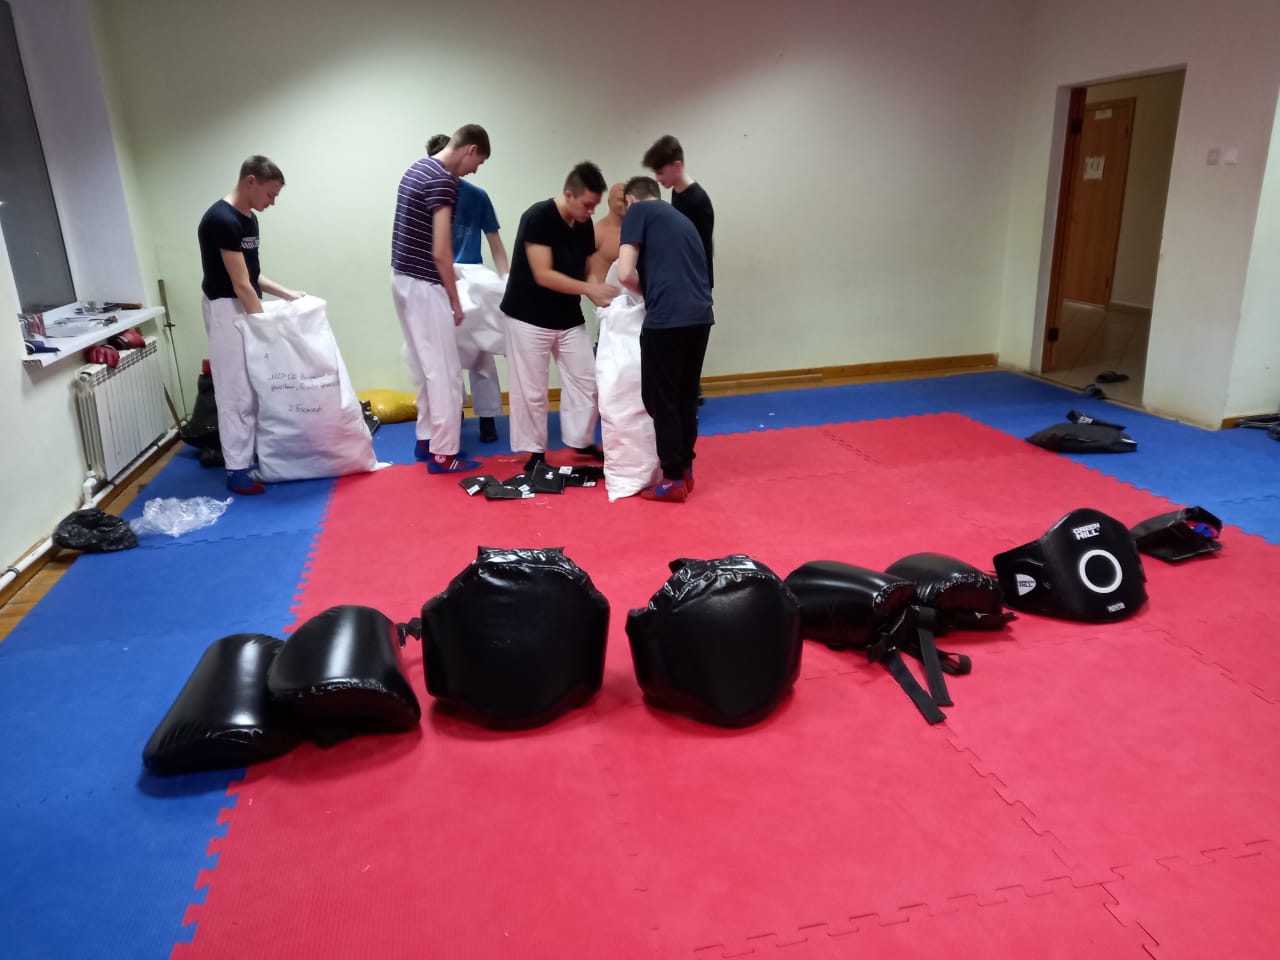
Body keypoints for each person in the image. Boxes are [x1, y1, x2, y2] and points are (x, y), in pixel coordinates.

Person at [197, 155, 305, 495]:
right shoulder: (221, 220)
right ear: (251, 182)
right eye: (270, 194)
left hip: (243, 303)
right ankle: (237, 471)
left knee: (254, 388)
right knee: (235, 392)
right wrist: (265, 328)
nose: (272, 202)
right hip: (225, 308)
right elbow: (240, 285)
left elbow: (252, 275)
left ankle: (253, 455)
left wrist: (286, 294)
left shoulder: (249, 219)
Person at [500, 161, 618, 471]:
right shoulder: (538, 217)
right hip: (527, 316)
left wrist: (600, 295)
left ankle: (580, 440)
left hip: (566, 315)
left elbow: (587, 270)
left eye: (595, 205)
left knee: (587, 379)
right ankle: (535, 454)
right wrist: (589, 289)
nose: (591, 211)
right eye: (587, 204)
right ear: (569, 195)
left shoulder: (583, 225)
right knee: (532, 390)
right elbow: (544, 274)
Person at [391, 124, 490, 473]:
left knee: (425, 367)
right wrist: (454, 299)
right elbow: (441, 251)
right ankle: (443, 454)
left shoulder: (417, 168)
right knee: (446, 373)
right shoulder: (444, 180)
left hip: (401, 279)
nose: (474, 171)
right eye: (478, 162)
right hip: (424, 285)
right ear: (470, 149)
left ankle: (425, 440)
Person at [615, 176, 714, 502]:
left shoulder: (637, 212)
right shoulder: (681, 219)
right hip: (701, 316)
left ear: (631, 199)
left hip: (668, 318)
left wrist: (648, 295)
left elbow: (624, 273)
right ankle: (685, 470)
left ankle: (671, 478)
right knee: (686, 394)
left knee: (661, 398)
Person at [427, 132, 508, 444]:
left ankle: (487, 416)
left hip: (472, 277)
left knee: (481, 349)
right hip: (438, 276)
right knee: (443, 352)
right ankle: (453, 411)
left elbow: (495, 243)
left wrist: (505, 282)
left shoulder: (477, 196)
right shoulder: (429, 194)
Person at [643, 135, 714, 405]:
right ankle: (687, 390)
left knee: (687, 344)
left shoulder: (697, 200)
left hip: (695, 283)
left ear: (676, 165)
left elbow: (699, 251)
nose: (658, 178)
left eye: (661, 172)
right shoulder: (677, 193)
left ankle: (690, 392)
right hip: (682, 281)